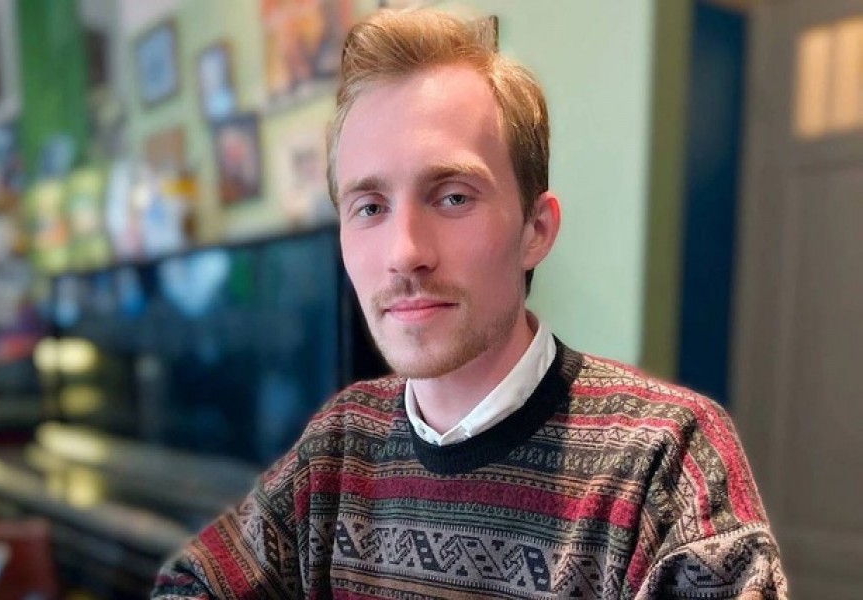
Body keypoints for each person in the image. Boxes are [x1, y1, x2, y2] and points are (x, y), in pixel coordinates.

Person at [153, 7, 787, 599]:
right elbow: (191, 583)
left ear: (535, 229)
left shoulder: (665, 458)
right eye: (369, 207)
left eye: (452, 196)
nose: (404, 252)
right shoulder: (338, 446)